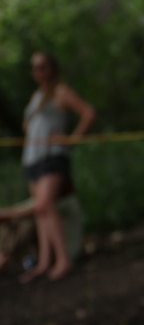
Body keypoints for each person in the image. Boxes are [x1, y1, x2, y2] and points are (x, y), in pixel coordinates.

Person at [17, 51, 95, 283]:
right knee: (41, 211)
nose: (39, 71)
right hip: (33, 158)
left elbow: (88, 113)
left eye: (43, 66)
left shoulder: (61, 91)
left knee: (45, 205)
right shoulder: (36, 96)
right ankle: (44, 262)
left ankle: (63, 260)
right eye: (35, 67)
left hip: (52, 157)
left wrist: (71, 139)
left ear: (52, 67)